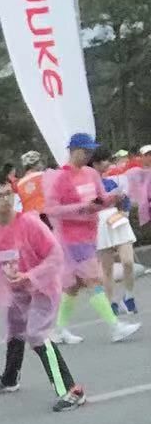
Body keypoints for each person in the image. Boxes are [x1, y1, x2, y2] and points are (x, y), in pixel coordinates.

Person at [0, 175, 84, 412]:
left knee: (36, 333)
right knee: (14, 329)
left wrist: (30, 276)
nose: (5, 200)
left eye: (8, 193)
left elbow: (56, 256)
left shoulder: (30, 224)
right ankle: (10, 378)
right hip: (16, 292)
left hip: (43, 287)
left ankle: (71, 389)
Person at [45, 132, 139, 345]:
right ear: (73, 151)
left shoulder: (90, 174)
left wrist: (113, 198)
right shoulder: (60, 178)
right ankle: (114, 326)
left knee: (74, 285)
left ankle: (60, 329)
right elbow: (52, 209)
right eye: (85, 151)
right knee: (93, 279)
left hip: (89, 235)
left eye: (90, 151)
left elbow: (100, 199)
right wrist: (82, 208)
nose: (88, 155)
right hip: (70, 239)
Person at [90, 150, 141, 329]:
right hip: (100, 224)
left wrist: (124, 211)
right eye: (103, 160)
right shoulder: (88, 186)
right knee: (107, 268)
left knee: (128, 261)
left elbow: (124, 200)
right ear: (95, 164)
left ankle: (129, 295)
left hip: (117, 220)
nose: (107, 164)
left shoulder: (111, 182)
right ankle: (111, 301)